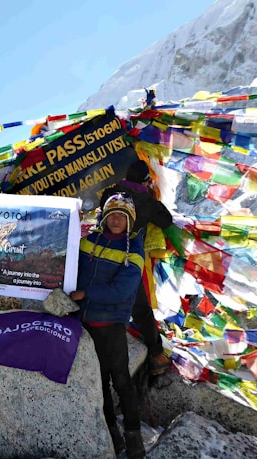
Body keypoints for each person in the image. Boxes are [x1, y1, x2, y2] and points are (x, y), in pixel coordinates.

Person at [70, 192, 146, 458]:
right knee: (98, 381)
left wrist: (85, 293)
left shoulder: (133, 252)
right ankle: (111, 431)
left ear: (129, 221)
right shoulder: (88, 241)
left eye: (122, 217)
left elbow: (121, 291)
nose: (116, 220)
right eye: (112, 214)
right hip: (85, 324)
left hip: (111, 326)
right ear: (103, 217)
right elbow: (67, 260)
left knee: (122, 380)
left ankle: (134, 435)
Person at [99, 159, 173, 376]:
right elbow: (166, 221)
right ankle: (156, 355)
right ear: (145, 180)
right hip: (128, 257)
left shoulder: (110, 192)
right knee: (140, 307)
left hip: (103, 251)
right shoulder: (146, 201)